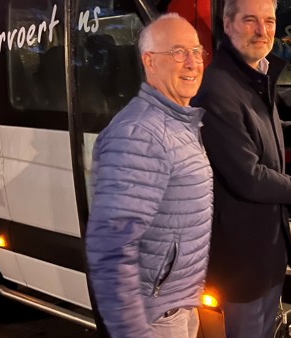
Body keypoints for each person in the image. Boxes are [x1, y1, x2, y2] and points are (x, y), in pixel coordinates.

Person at [191, 0, 291, 336]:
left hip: (264, 250)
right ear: (227, 23)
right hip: (243, 261)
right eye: (250, 20)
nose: (262, 31)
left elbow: (261, 126)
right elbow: (248, 178)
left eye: (269, 21)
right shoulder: (217, 89)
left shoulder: (252, 74)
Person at [85, 13, 212, 338]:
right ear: (150, 62)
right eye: (178, 52)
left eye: (197, 52)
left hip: (179, 301)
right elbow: (112, 244)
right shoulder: (138, 133)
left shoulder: (178, 121)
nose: (193, 63)